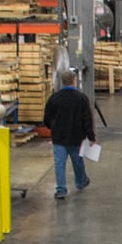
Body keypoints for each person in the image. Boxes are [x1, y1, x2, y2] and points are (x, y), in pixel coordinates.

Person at [43, 69, 95, 200]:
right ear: (73, 80)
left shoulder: (54, 98)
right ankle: (81, 182)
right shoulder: (81, 98)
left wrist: (52, 129)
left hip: (59, 138)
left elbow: (46, 118)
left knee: (59, 164)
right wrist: (91, 136)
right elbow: (87, 119)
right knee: (78, 161)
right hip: (76, 137)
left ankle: (61, 189)